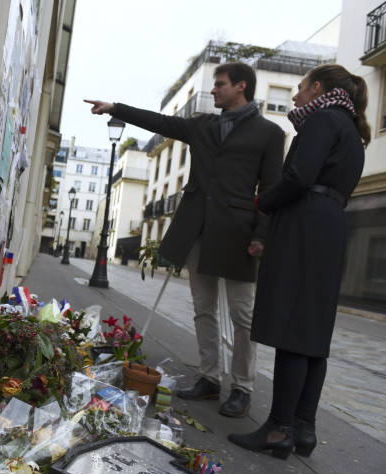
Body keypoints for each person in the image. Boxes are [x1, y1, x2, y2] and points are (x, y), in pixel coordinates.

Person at [86, 62, 284, 418]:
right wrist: (116, 109)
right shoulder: (203, 125)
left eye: (219, 84)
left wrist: (261, 235)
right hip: (197, 229)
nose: (213, 90)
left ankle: (241, 387)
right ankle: (210, 379)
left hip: (238, 234)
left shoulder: (269, 133)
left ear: (241, 86)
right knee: (203, 309)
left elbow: (269, 190)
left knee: (243, 315)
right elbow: (161, 122)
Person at [228, 64, 370, 459]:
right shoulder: (352, 130)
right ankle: (303, 427)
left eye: (300, 88)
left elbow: (299, 176)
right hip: (330, 226)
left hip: (306, 225)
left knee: (292, 328)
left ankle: (278, 429)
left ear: (318, 88)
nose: (294, 96)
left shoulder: (323, 119)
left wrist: (263, 201)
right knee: (312, 335)